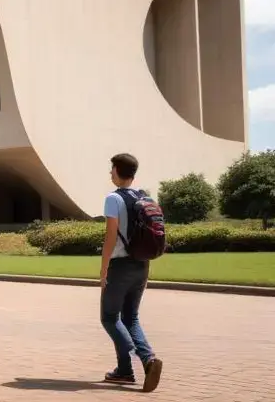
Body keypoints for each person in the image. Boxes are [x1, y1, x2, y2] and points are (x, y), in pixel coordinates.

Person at [100, 153, 163, 392]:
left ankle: (146, 359)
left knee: (109, 318)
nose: (110, 174)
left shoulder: (113, 199)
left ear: (117, 170)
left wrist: (103, 268)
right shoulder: (145, 197)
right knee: (130, 318)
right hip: (142, 264)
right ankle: (125, 372)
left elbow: (110, 236)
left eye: (111, 169)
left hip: (120, 266)